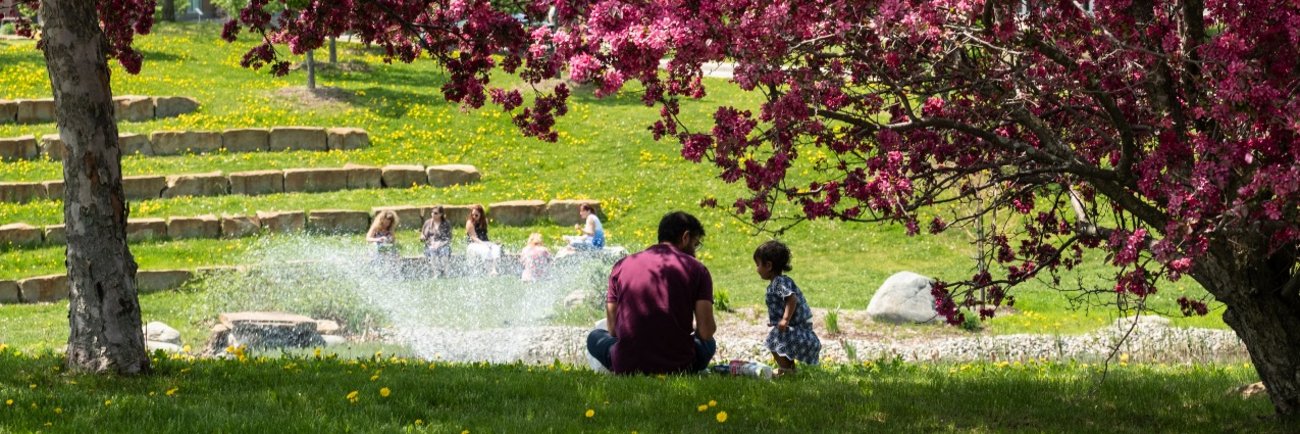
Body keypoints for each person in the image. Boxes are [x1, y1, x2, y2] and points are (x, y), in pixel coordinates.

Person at [586, 211, 716, 375]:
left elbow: (613, 330)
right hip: (680, 365)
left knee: (595, 336)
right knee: (709, 344)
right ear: (685, 237)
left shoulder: (621, 265)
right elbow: (706, 332)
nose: (695, 253)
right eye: (695, 244)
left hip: (627, 364)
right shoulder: (698, 269)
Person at [754, 240, 820, 376]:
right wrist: (776, 321)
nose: (757, 269)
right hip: (794, 328)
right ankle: (789, 370)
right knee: (779, 343)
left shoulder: (779, 282)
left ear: (768, 265)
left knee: (772, 341)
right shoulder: (780, 282)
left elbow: (791, 298)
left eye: (758, 264)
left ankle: (786, 371)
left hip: (797, 330)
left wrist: (785, 319)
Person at [464, 204, 501, 274]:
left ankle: (494, 269)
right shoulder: (469, 223)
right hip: (473, 244)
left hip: (483, 243)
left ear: (481, 215)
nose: (474, 217)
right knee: (486, 250)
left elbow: (484, 237)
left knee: (496, 248)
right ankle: (489, 271)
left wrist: (492, 243)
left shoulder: (485, 221)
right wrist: (485, 244)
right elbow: (474, 238)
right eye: (472, 215)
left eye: (476, 215)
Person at [419, 205, 453, 277]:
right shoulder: (427, 223)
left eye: (435, 213)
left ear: (441, 214)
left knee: (444, 251)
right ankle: (436, 273)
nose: (433, 214)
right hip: (430, 245)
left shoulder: (446, 224)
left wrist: (440, 244)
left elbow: (449, 238)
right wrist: (422, 237)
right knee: (432, 251)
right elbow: (422, 234)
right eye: (432, 212)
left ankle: (446, 273)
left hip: (443, 245)